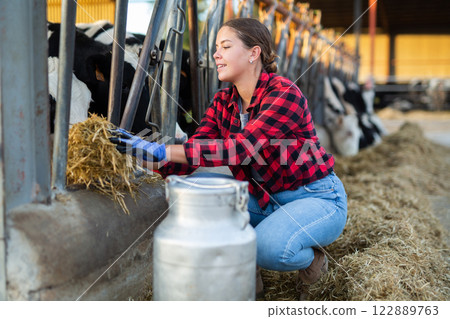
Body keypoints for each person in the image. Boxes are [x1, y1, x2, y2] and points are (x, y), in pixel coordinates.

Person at [110, 18, 347, 296]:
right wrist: (147, 157)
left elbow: (239, 149)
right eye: (216, 48)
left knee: (267, 248)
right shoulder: (223, 102)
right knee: (205, 208)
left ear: (253, 53)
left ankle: (311, 258)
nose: (215, 55)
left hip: (314, 197)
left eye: (225, 46)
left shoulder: (284, 94)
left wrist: (162, 148)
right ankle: (249, 276)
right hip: (263, 200)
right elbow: (197, 151)